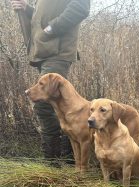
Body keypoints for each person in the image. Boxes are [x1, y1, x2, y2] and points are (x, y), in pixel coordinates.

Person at [11, 0, 90, 164]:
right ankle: (69, 157)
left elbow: (81, 7)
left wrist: (51, 28)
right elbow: (43, 17)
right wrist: (28, 9)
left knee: (43, 105)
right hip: (44, 52)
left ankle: (52, 162)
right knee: (61, 106)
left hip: (57, 51)